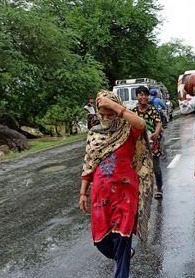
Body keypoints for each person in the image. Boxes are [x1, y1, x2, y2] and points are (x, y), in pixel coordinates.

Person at [79, 90, 154, 278]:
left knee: (122, 237)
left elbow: (142, 124)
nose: (105, 118)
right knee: (101, 241)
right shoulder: (94, 134)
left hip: (125, 193)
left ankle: (122, 266)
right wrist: (82, 193)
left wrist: (115, 107)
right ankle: (124, 256)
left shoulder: (127, 130)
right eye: (102, 114)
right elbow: (88, 164)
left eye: (109, 114)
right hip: (100, 195)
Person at [132, 86, 164, 199]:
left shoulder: (153, 110)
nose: (144, 97)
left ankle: (159, 188)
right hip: (139, 145)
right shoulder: (133, 112)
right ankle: (141, 188)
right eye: (141, 95)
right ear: (136, 97)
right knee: (139, 168)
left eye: (145, 94)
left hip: (153, 144)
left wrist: (156, 133)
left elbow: (159, 123)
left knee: (156, 168)